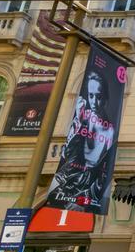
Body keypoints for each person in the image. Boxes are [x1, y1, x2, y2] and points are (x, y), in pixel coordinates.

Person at [46, 69, 117, 212]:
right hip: (67, 174)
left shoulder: (110, 130)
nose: (94, 102)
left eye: (99, 96)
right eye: (91, 96)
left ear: (106, 98)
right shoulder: (82, 118)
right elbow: (67, 152)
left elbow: (103, 169)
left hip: (88, 183)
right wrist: (78, 120)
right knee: (50, 203)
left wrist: (87, 195)